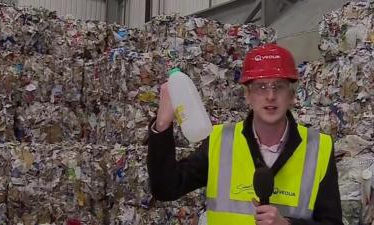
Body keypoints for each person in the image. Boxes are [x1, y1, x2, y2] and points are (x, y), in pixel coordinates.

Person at [147, 43, 343, 225]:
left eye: (279, 86)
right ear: (247, 95)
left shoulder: (318, 147)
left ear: (292, 96)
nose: (270, 96)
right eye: (261, 87)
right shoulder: (220, 141)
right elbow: (165, 188)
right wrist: (162, 124)